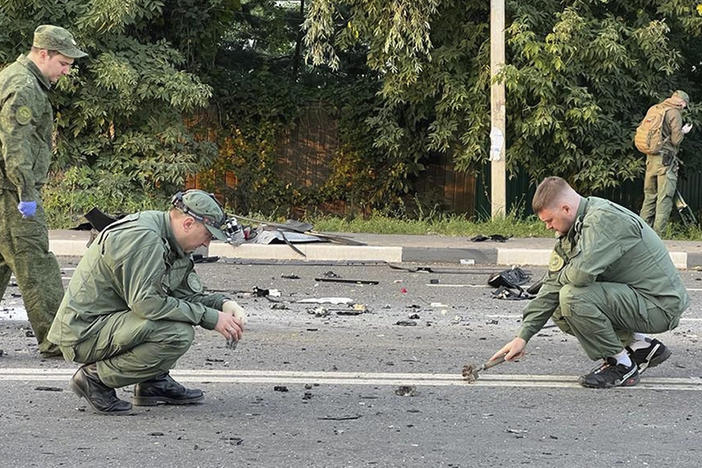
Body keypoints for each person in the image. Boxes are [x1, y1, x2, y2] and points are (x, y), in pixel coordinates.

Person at [47, 190, 246, 414]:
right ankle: (94, 379)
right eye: (208, 234)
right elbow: (147, 304)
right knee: (176, 334)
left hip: (110, 323)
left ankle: (153, 383)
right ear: (188, 224)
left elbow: (182, 295)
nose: (207, 243)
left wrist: (223, 305)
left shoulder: (170, 239)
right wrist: (209, 318)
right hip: (84, 333)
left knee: (174, 319)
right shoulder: (145, 238)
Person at [491, 177, 689, 388]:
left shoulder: (603, 220)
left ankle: (621, 365)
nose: (548, 227)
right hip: (637, 298)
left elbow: (579, 275)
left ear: (566, 209)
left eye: (549, 220)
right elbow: (552, 284)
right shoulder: (575, 227)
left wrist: (560, 278)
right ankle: (639, 346)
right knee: (558, 303)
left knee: (572, 296)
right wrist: (523, 336)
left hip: (659, 305)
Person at [0, 25, 88, 357]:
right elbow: (16, 146)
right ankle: (58, 340)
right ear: (43, 54)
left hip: (6, 189)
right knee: (36, 263)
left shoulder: (15, 76)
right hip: (11, 192)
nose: (66, 71)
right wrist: (26, 194)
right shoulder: (24, 87)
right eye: (63, 63)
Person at [639, 90, 693, 233]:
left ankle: (642, 232)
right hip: (666, 160)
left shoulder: (655, 108)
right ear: (682, 102)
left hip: (651, 158)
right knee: (665, 197)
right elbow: (676, 140)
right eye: (684, 105)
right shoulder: (674, 113)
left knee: (649, 196)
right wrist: (683, 132)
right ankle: (658, 235)